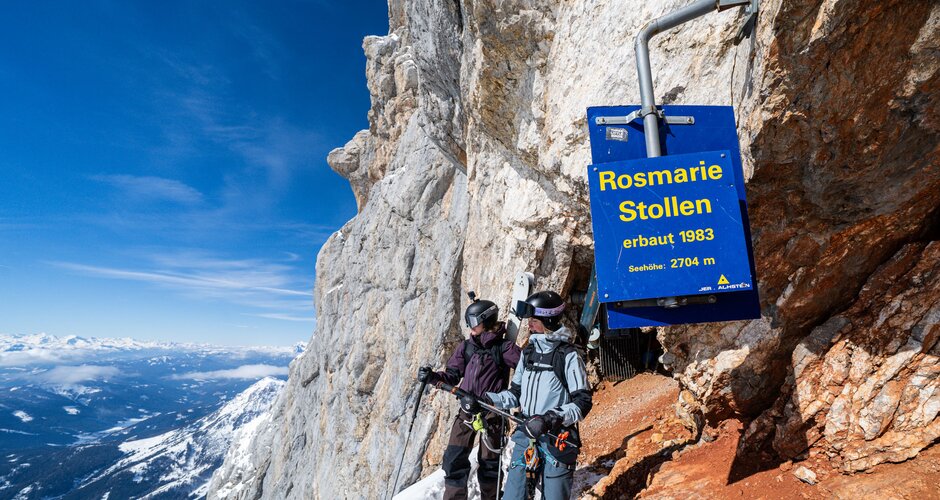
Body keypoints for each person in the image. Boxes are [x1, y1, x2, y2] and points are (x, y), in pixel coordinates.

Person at [485, 290, 592, 500]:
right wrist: (489, 400)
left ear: (548, 321)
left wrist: (551, 418)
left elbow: (582, 402)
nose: (529, 324)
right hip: (526, 434)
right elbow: (516, 394)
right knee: (513, 495)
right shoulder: (529, 353)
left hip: (556, 439)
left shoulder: (568, 356)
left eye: (534, 320)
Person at [417, 293, 522, 500]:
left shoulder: (504, 348)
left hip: (493, 413)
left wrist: (516, 396)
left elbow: (527, 371)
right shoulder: (467, 347)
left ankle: (490, 498)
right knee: (454, 459)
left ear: (485, 321)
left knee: (490, 463)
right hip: (466, 412)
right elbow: (451, 376)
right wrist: (432, 377)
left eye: (473, 322)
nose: (470, 327)